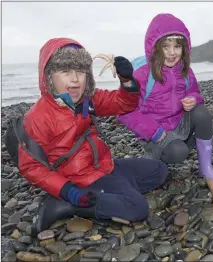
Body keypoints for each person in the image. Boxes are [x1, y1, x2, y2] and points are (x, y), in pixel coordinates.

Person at [14, 37, 168, 236]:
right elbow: (31, 166)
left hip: (103, 166)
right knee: (138, 208)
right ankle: (67, 205)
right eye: (66, 71)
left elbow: (123, 103)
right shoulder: (37, 117)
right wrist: (68, 191)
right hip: (77, 179)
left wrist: (127, 81)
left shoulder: (89, 100)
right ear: (49, 77)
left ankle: (113, 193)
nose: (75, 79)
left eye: (80, 71)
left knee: (160, 170)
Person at [118, 13, 213, 183]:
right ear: (154, 47)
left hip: (178, 124)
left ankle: (206, 168)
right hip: (155, 131)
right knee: (178, 152)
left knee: (202, 113)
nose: (172, 53)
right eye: (165, 47)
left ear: (184, 48)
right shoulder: (142, 74)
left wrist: (193, 99)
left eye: (177, 46)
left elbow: (196, 93)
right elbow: (124, 110)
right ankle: (152, 156)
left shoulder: (185, 71)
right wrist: (153, 131)